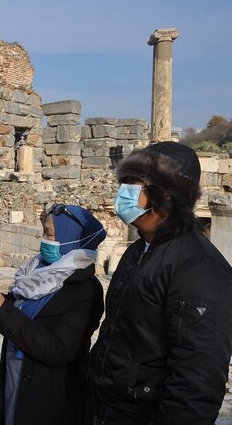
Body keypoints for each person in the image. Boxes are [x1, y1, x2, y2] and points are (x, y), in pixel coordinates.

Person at [90, 141, 232, 424]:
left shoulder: (198, 267)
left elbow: (196, 383)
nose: (123, 191)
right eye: (124, 180)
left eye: (135, 182)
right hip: (109, 409)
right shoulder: (139, 250)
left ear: (166, 194)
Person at [0, 204, 106, 424]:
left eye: (49, 233)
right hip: (15, 384)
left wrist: (2, 308)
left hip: (48, 401)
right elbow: (13, 312)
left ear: (70, 238)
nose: (43, 239)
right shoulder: (36, 273)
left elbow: (58, 350)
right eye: (43, 231)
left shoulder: (84, 288)